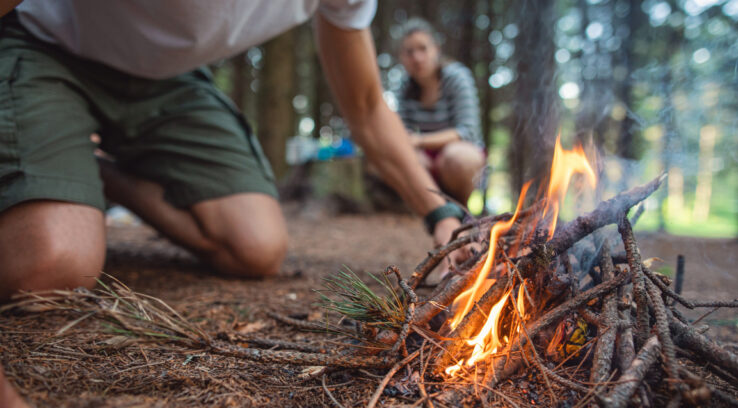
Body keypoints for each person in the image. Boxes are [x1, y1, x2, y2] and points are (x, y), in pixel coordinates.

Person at [0, 1, 469, 300]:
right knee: (51, 269)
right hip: (46, 44)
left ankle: (92, 167)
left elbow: (366, 107)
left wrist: (440, 212)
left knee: (256, 248)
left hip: (168, 79)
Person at [396, 18, 486, 206]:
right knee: (404, 160)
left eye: (423, 49)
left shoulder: (456, 77)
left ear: (436, 49)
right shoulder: (405, 87)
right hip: (427, 158)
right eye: (409, 52)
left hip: (460, 155)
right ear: (402, 58)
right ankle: (432, 211)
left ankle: (462, 211)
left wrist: (420, 141)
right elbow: (403, 133)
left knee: (458, 158)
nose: (417, 58)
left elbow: (467, 132)